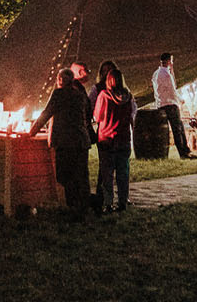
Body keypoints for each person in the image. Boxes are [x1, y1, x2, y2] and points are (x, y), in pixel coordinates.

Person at [31, 68, 94, 218]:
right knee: (81, 175)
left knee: (65, 175)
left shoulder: (59, 94)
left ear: (60, 80)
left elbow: (46, 113)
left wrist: (32, 131)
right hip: (81, 140)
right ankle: (83, 206)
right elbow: (87, 113)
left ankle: (73, 207)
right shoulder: (79, 95)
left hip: (66, 141)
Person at [92, 64, 136, 213]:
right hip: (124, 138)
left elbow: (97, 116)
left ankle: (108, 203)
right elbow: (132, 115)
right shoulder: (129, 96)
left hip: (107, 139)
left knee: (107, 174)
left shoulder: (104, 96)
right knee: (123, 172)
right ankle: (123, 202)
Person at [152, 52, 197, 159]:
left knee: (172, 129)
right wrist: (179, 100)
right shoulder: (166, 74)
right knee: (178, 129)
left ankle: (181, 151)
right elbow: (173, 89)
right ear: (169, 61)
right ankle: (184, 152)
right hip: (170, 104)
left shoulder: (156, 74)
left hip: (161, 104)